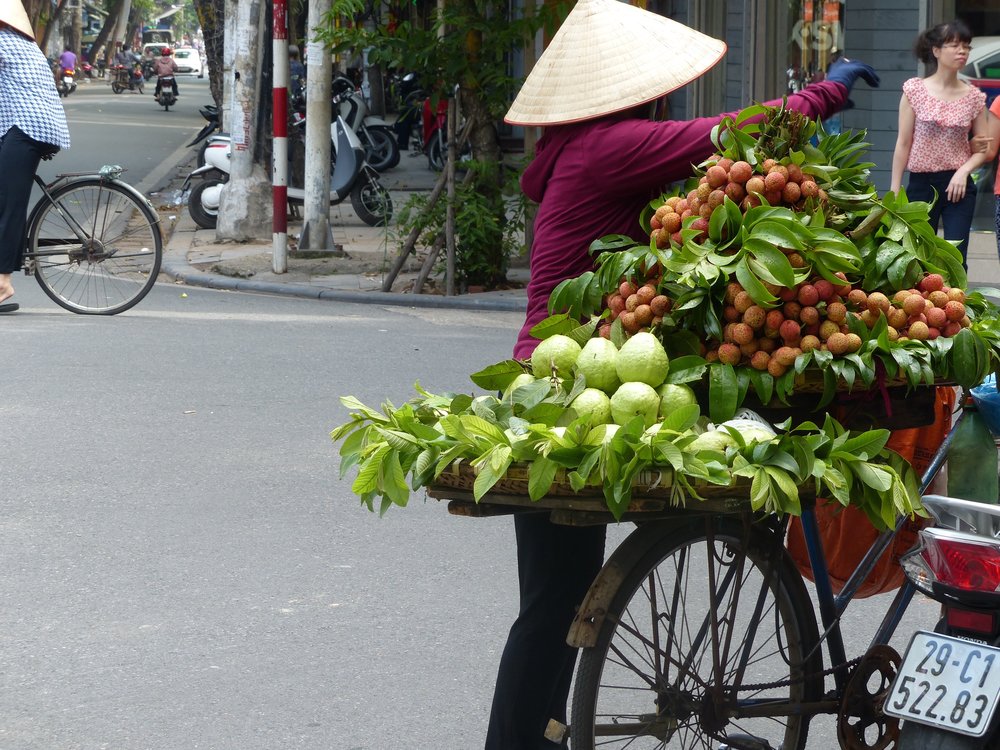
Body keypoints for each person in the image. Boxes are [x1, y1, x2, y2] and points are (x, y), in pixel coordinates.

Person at [486, 0, 879, 746]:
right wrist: (822, 93)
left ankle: (527, 737)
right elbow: (732, 136)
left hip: (556, 379)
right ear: (634, 94)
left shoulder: (578, 148)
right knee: (552, 603)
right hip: (579, 385)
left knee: (552, 598)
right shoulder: (612, 145)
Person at [890, 20, 991, 267]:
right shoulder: (915, 90)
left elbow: (984, 149)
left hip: (958, 186)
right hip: (921, 183)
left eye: (966, 46)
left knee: (957, 258)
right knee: (917, 257)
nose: (962, 52)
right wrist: (894, 190)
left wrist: (963, 171)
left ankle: (957, 304)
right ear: (936, 50)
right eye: (955, 45)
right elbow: (903, 143)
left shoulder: (974, 97)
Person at [0, 0, 71, 313]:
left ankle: (3, 283)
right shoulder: (19, 41)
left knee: (8, 203)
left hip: (28, 126)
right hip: (25, 125)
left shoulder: (4, 41)